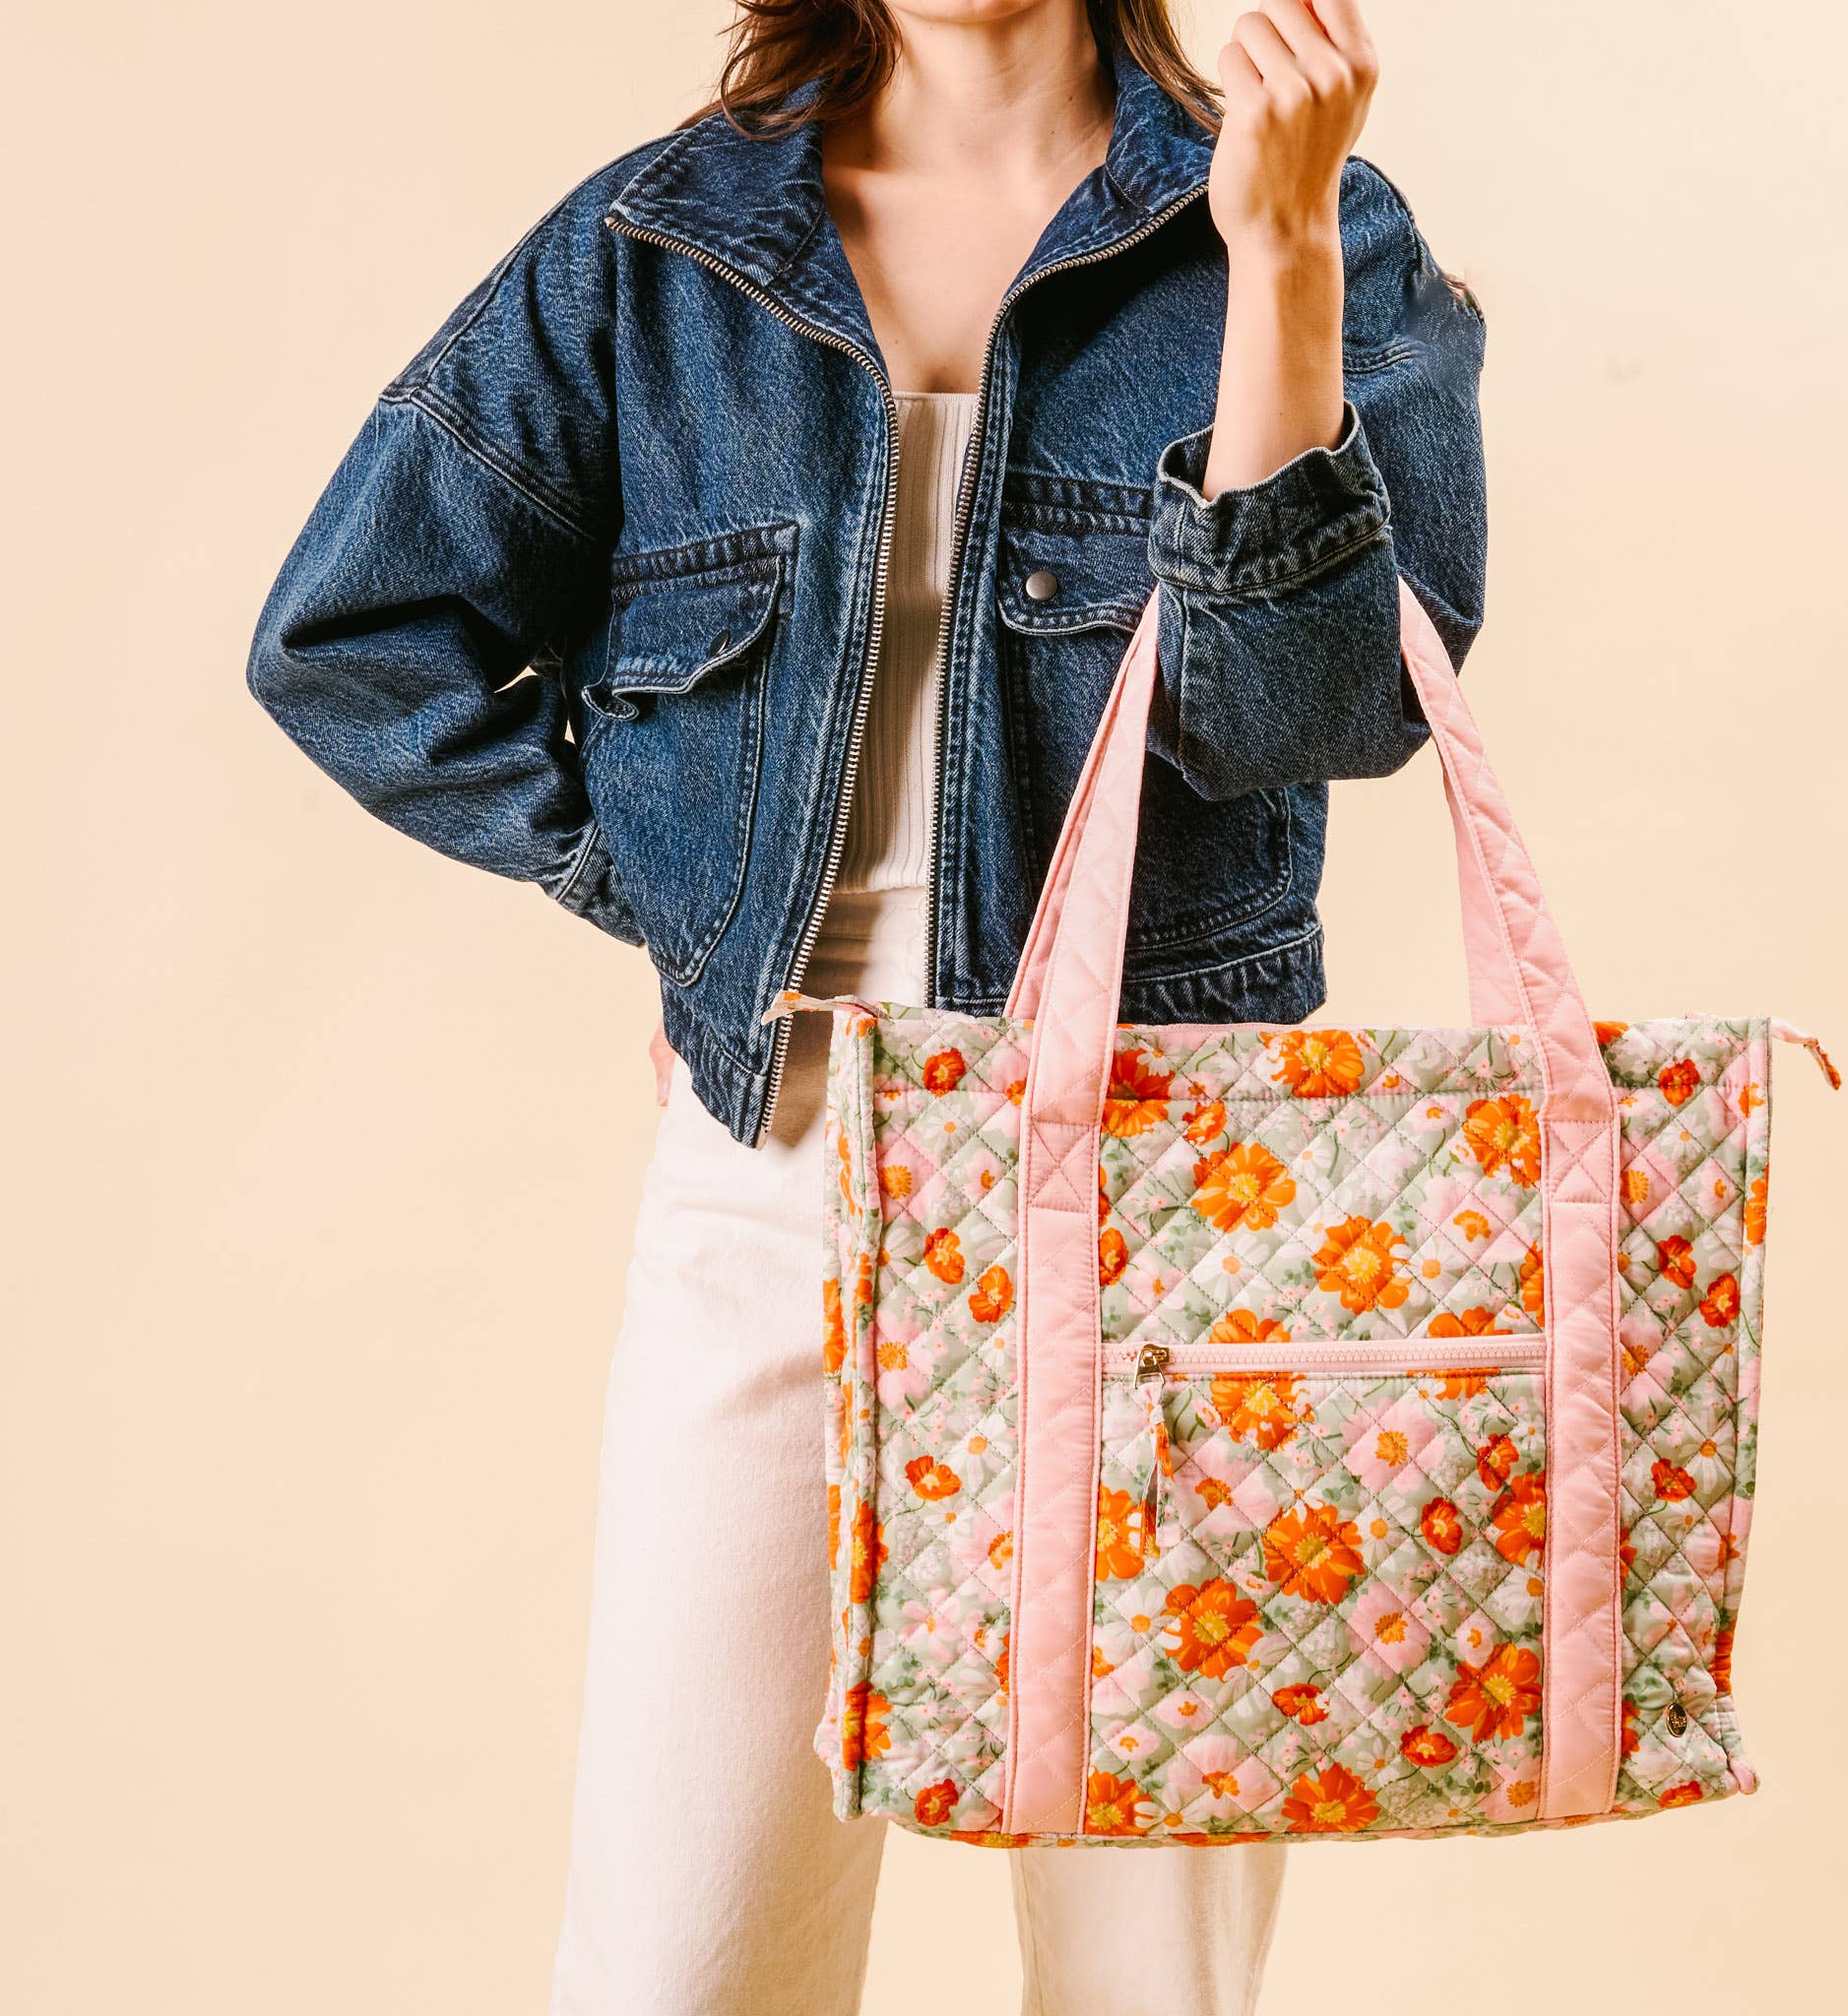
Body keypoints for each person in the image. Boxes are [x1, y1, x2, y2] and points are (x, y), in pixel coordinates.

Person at [247, 1, 1486, 2009]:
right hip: (783, 1178)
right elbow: (355, 637)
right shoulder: (659, 252)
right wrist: (684, 906)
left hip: (1174, 1213)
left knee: (1148, 1978)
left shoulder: (1324, 227)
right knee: (683, 1962)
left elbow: (1317, 713)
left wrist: (1273, 254)